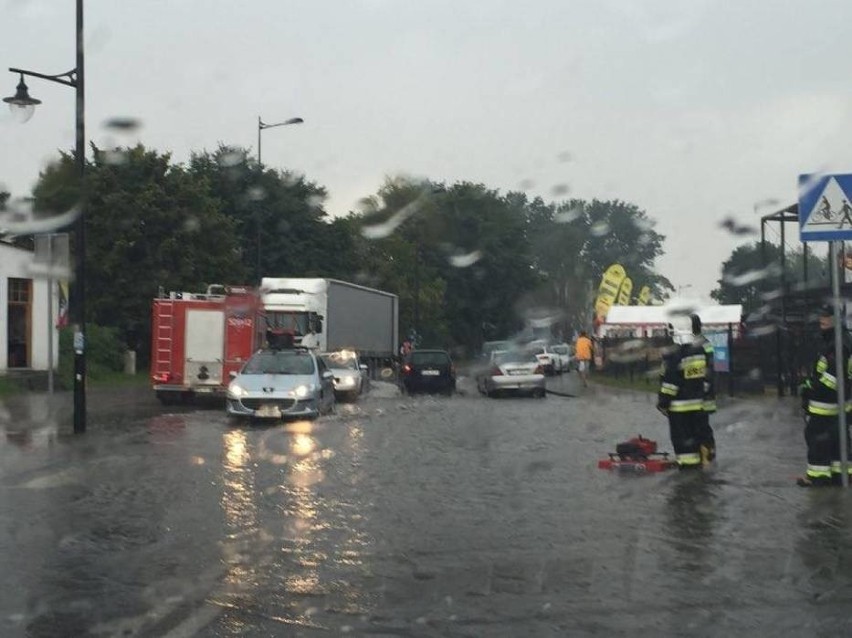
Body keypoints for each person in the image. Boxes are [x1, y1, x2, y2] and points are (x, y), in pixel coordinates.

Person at [798, 306, 851, 487]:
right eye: (822, 315)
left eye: (826, 317)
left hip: (826, 405)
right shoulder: (838, 341)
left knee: (818, 440)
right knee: (837, 443)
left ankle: (818, 478)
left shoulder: (837, 344)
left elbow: (833, 379)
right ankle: (839, 477)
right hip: (835, 406)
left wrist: (810, 387)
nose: (822, 319)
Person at [657, 323, 709, 470]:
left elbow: (671, 382)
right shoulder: (699, 351)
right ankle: (700, 462)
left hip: (679, 407)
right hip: (698, 404)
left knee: (682, 439)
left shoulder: (675, 355)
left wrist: (663, 402)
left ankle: (688, 469)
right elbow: (703, 377)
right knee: (696, 435)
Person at [690, 314, 717, 465]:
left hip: (702, 391)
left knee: (701, 423)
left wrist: (696, 380)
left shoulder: (702, 343)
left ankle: (707, 451)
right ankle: (705, 450)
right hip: (698, 390)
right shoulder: (694, 343)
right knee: (698, 423)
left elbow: (707, 367)